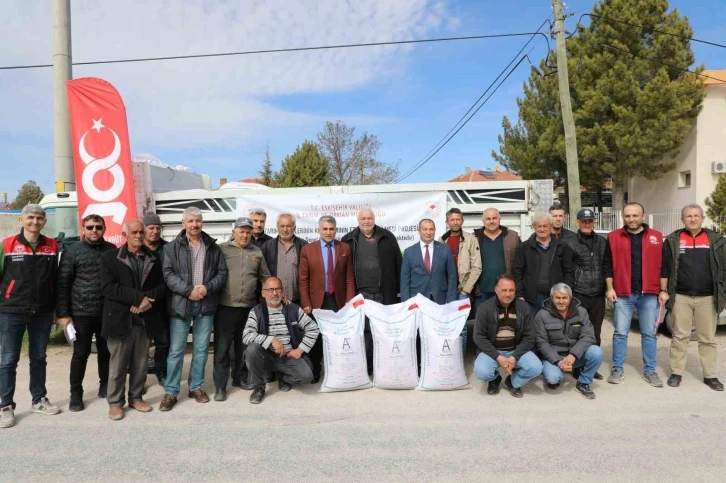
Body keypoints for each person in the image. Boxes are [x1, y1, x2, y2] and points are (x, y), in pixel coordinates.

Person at [159, 207, 228, 411]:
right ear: (183, 224)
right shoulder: (171, 248)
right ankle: (171, 391)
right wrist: (189, 291)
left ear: (202, 222)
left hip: (205, 304)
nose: (194, 224)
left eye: (198, 221)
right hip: (182, 303)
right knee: (176, 351)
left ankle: (195, 387)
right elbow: (168, 274)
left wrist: (207, 288)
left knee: (201, 349)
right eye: (190, 221)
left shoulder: (212, 247)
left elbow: (222, 273)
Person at [0, 204, 61, 428]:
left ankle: (39, 399)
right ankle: (5, 405)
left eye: (39, 218)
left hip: (42, 312)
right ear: (21, 220)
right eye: (30, 218)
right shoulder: (7, 245)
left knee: (39, 357)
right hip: (11, 311)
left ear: (44, 221)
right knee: (8, 360)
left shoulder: (52, 245)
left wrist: (56, 308)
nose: (34, 222)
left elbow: (56, 279)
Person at [100, 220, 166, 421]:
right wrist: (138, 298)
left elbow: (162, 286)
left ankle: (136, 397)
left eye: (141, 232)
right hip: (120, 318)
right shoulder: (110, 258)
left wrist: (146, 301)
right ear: (124, 234)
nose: (138, 235)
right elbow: (109, 287)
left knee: (140, 363)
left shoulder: (154, 257)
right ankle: (115, 403)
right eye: (134, 232)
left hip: (145, 318)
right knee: (118, 365)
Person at [56, 214, 116, 412]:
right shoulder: (72, 252)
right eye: (90, 227)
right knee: (80, 354)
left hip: (105, 311)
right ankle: (76, 394)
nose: (94, 231)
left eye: (98, 227)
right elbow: (63, 284)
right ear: (83, 228)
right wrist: (64, 314)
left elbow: (117, 281)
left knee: (105, 352)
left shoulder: (112, 250)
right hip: (80, 312)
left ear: (104, 228)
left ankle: (105, 386)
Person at [662, 204, 724, 391]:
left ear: (702, 218)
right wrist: (664, 290)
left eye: (696, 216)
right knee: (680, 336)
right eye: (689, 216)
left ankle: (710, 375)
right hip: (681, 295)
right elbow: (665, 267)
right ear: (683, 220)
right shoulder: (674, 240)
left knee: (707, 338)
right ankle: (676, 372)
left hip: (708, 297)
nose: (693, 219)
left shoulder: (716, 240)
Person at [604, 202, 665, 388]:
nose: (631, 219)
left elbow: (664, 266)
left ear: (643, 216)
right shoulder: (613, 237)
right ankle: (617, 368)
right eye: (628, 216)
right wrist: (610, 288)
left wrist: (663, 290)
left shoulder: (657, 237)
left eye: (635, 215)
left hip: (649, 293)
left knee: (649, 334)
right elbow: (608, 265)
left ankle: (650, 370)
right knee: (620, 333)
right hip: (623, 293)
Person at [214, 217, 271, 401]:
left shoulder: (257, 252)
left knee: (242, 347)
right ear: (234, 232)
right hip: (225, 307)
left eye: (248, 231)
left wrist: (273, 291)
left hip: (248, 308)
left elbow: (264, 276)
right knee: (222, 348)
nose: (245, 235)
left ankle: (239, 378)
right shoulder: (222, 250)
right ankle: (220, 387)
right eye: (242, 231)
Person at [341, 207, 402, 373]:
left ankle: (385, 364)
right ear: (358, 221)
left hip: (384, 294)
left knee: (384, 331)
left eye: (369, 218)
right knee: (365, 332)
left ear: (374, 219)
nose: (366, 221)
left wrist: (397, 292)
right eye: (363, 219)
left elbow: (399, 265)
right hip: (360, 296)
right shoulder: (348, 240)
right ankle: (367, 366)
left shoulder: (387, 237)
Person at [242, 277, 319, 404]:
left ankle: (283, 377)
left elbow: (313, 328)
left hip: (287, 356)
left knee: (307, 377)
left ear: (282, 292)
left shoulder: (293, 309)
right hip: (266, 357)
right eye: (270, 290)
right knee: (252, 350)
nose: (274, 293)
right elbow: (246, 335)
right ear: (263, 293)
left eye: (277, 289)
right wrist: (271, 339)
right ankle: (259, 387)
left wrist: (300, 350)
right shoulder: (256, 311)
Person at [299, 215, 355, 382]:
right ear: (319, 230)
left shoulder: (344, 248)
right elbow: (303, 280)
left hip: (338, 301)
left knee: (337, 337)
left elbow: (349, 278)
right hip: (316, 302)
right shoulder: (308, 250)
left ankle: (337, 370)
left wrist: (349, 303)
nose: (328, 232)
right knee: (315, 338)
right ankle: (315, 370)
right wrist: (306, 303)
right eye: (325, 229)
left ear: (335, 230)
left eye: (331, 229)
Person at [472, 275, 542, 398]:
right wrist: (498, 356)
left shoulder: (523, 307)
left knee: (536, 368)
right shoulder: (484, 308)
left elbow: (530, 336)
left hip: (516, 350)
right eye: (504, 290)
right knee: (481, 372)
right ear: (496, 290)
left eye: (511, 290)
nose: (508, 294)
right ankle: (494, 379)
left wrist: (514, 357)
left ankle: (513, 381)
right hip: (493, 350)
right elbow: (478, 337)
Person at [533, 283, 603, 399]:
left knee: (597, 352)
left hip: (576, 355)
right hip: (554, 357)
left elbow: (589, 336)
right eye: (557, 298)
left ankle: (583, 382)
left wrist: (573, 356)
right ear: (552, 298)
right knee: (553, 378)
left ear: (570, 298)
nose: (561, 301)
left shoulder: (581, 312)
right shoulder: (542, 315)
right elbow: (541, 343)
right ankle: (557, 372)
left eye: (564, 298)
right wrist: (558, 361)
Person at [562, 208, 607, 380]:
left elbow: (606, 266)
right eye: (583, 221)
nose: (587, 224)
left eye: (589, 221)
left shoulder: (602, 242)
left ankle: (591, 366)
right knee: (577, 331)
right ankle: (576, 365)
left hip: (597, 295)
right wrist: (569, 294)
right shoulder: (569, 242)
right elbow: (567, 270)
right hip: (579, 294)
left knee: (595, 332)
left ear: (593, 222)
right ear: (577, 223)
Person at [512, 213, 574, 313]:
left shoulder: (562, 247)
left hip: (556, 297)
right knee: (533, 327)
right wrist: (520, 295)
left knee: (555, 326)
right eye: (539, 226)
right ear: (534, 227)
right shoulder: (524, 247)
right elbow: (517, 272)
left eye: (545, 226)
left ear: (550, 227)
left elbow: (569, 271)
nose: (542, 229)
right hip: (532, 298)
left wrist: (566, 293)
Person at [438, 208, 481, 351]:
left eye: (458, 219)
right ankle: (448, 357)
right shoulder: (441, 241)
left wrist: (465, 290)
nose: (455, 222)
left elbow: (476, 267)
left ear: (462, 221)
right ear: (447, 222)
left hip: (462, 291)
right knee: (446, 326)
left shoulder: (470, 239)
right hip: (445, 291)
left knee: (461, 327)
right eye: (452, 219)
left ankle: (460, 360)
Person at [400, 219, 457, 304]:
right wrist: (406, 303)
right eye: (425, 229)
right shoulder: (409, 252)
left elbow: (452, 276)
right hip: (416, 300)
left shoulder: (445, 249)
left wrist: (450, 301)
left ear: (434, 231)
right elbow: (404, 280)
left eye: (431, 229)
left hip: (440, 299)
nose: (428, 232)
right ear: (419, 231)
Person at [473, 208, 520, 310]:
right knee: (483, 323)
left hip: (506, 292)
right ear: (483, 221)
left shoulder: (512, 236)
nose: (491, 221)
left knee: (505, 324)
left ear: (500, 219)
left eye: (494, 218)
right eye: (488, 219)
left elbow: (520, 264)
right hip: (482, 291)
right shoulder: (474, 238)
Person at [142, 212, 169, 386]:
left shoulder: (168, 248)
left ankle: (161, 371)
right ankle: (139, 378)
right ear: (144, 229)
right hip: (140, 304)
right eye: (151, 228)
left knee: (163, 342)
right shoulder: (136, 248)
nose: (155, 231)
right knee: (141, 345)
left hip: (162, 303)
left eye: (158, 228)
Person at [260, 213, 308, 305]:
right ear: (277, 227)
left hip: (298, 301)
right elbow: (262, 274)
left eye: (288, 226)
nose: (285, 230)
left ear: (294, 227)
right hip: (274, 301)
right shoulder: (267, 246)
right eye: (282, 226)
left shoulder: (304, 246)